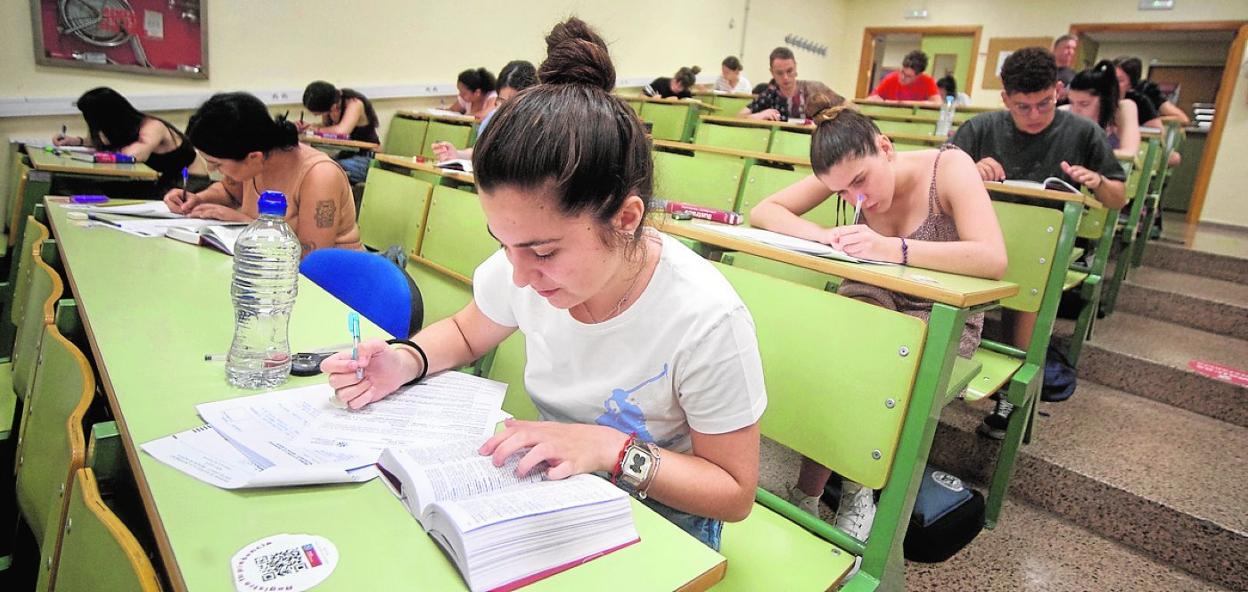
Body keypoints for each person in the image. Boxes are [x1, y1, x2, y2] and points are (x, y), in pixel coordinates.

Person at [322, 17, 765, 551]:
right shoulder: (524, 262)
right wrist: (405, 360)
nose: (519, 275)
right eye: (504, 243)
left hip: (664, 517)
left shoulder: (705, 318)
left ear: (625, 219)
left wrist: (608, 448)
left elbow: (735, 492)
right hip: (553, 488)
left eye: (543, 251)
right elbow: (467, 333)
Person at [750, 96, 1006, 539]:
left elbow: (992, 258)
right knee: (845, 352)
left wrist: (896, 250)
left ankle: (851, 492)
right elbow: (764, 211)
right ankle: (815, 497)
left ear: (885, 148)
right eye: (841, 192)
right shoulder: (846, 173)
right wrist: (824, 234)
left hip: (939, 310)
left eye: (860, 182)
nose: (856, 197)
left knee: (875, 362)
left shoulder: (949, 167)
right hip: (872, 297)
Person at [951, 47, 1125, 437]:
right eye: (1022, 107)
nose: (1034, 115)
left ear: (1059, 91)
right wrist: (969, 170)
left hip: (1041, 253)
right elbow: (938, 180)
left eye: (1044, 104)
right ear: (1005, 100)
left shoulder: (1082, 132)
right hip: (977, 242)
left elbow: (1119, 197)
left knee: (1027, 299)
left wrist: (1098, 183)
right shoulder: (980, 129)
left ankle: (1010, 401)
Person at [163, 92, 363, 257]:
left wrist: (244, 221)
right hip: (268, 268)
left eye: (217, 164)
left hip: (332, 284)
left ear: (254, 157)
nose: (212, 170)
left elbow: (313, 255)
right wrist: (196, 200)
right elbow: (229, 191)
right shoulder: (254, 162)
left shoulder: (320, 175)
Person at [53, 87, 198, 192]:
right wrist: (76, 141)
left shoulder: (152, 127)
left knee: (92, 189)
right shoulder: (128, 127)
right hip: (163, 182)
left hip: (188, 183)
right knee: (70, 183)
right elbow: (111, 142)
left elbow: (134, 156)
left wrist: (109, 147)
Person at [432, 60, 538, 162]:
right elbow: (479, 152)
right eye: (501, 101)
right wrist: (457, 154)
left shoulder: (539, 124)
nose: (506, 110)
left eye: (513, 103)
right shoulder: (492, 118)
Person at [297, 81, 380, 184]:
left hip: (367, 157)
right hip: (347, 154)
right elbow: (327, 128)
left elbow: (341, 132)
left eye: (319, 113)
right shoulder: (330, 106)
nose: (316, 116)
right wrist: (309, 127)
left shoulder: (354, 104)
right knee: (313, 164)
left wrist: (314, 130)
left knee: (325, 169)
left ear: (329, 105)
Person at [738, 47, 842, 121]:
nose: (785, 77)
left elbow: (850, 108)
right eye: (779, 73)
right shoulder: (769, 94)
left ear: (796, 67)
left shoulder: (815, 88)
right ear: (772, 73)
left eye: (789, 71)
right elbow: (738, 117)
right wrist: (759, 115)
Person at [1064, 60, 1140, 160]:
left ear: (1105, 101)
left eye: (1084, 104)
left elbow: (1130, 153)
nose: (1075, 111)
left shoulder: (1123, 108)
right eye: (1072, 103)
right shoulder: (1065, 112)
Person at [1114, 56, 1190, 126]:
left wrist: (1148, 121)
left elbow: (1182, 118)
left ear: (1131, 84)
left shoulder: (1146, 92)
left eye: (1120, 80)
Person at [867, 50, 941, 104]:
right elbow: (869, 99)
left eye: (908, 76)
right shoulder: (890, 78)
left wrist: (904, 103)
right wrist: (875, 99)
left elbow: (938, 104)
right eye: (902, 72)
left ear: (918, 75)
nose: (902, 77)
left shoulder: (927, 81)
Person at [1053, 35, 1079, 100]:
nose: (1071, 52)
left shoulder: (1075, 76)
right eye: (1067, 48)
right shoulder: (1043, 71)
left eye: (1073, 49)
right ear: (1055, 49)